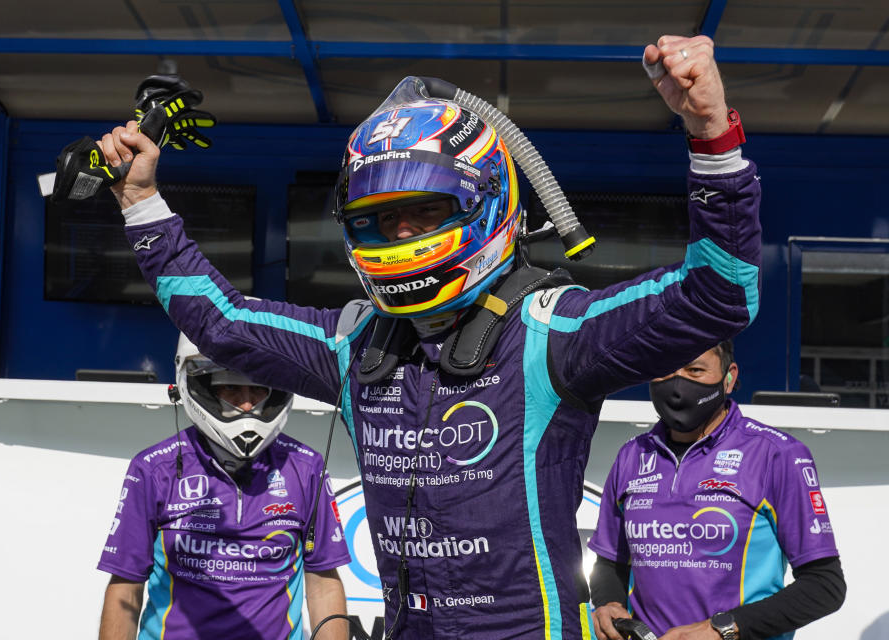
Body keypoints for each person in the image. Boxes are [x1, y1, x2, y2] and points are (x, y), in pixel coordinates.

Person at [97, 35, 762, 639]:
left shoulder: (548, 332)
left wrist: (710, 134)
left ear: (488, 200)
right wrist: (140, 202)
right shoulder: (354, 344)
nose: (406, 234)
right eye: (384, 220)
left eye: (427, 211)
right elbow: (220, 322)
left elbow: (718, 297)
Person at [97, 334, 351, 640]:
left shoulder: (306, 468)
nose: (246, 403)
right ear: (201, 385)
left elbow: (323, 581)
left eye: (258, 388)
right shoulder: (153, 469)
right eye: (230, 387)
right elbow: (126, 585)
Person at [587, 341, 845, 640]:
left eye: (695, 370)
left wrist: (721, 629)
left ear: (729, 377)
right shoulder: (632, 455)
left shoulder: (776, 454)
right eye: (663, 371)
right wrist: (609, 604)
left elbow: (825, 585)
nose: (677, 383)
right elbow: (609, 562)